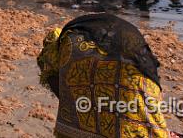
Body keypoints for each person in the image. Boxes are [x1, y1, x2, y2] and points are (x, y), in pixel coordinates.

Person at [37, 13, 174, 138]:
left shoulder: (62, 48)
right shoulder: (71, 40)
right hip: (136, 67)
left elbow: (61, 89)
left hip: (126, 67)